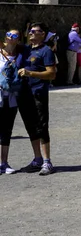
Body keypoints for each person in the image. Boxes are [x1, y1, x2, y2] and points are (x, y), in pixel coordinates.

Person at [18, 22, 58, 175]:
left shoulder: (46, 51)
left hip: (38, 93)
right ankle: (37, 159)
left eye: (36, 31)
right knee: (30, 127)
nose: (32, 33)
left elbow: (52, 74)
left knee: (41, 126)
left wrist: (31, 74)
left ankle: (47, 162)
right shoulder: (26, 49)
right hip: (24, 93)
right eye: (30, 31)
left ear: (43, 34)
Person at [0, 29, 25, 175]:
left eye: (15, 35)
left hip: (11, 97)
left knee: (6, 130)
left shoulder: (20, 56)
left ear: (18, 40)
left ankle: (4, 162)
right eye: (9, 35)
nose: (11, 37)